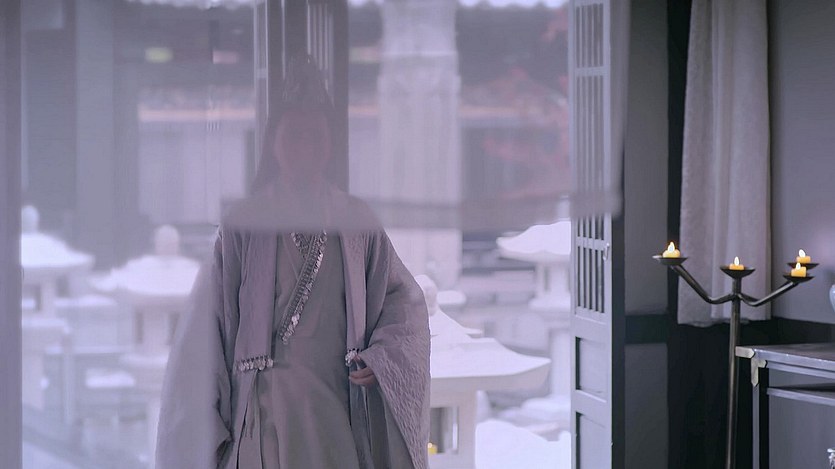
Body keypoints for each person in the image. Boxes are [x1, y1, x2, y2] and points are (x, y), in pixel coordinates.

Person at [156, 55, 430, 469]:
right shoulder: (244, 224)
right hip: (265, 410)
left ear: (330, 145)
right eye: (294, 136)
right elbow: (207, 328)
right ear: (273, 144)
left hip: (336, 406)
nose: (304, 148)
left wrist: (383, 357)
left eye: (315, 137)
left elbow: (402, 301)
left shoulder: (356, 221)